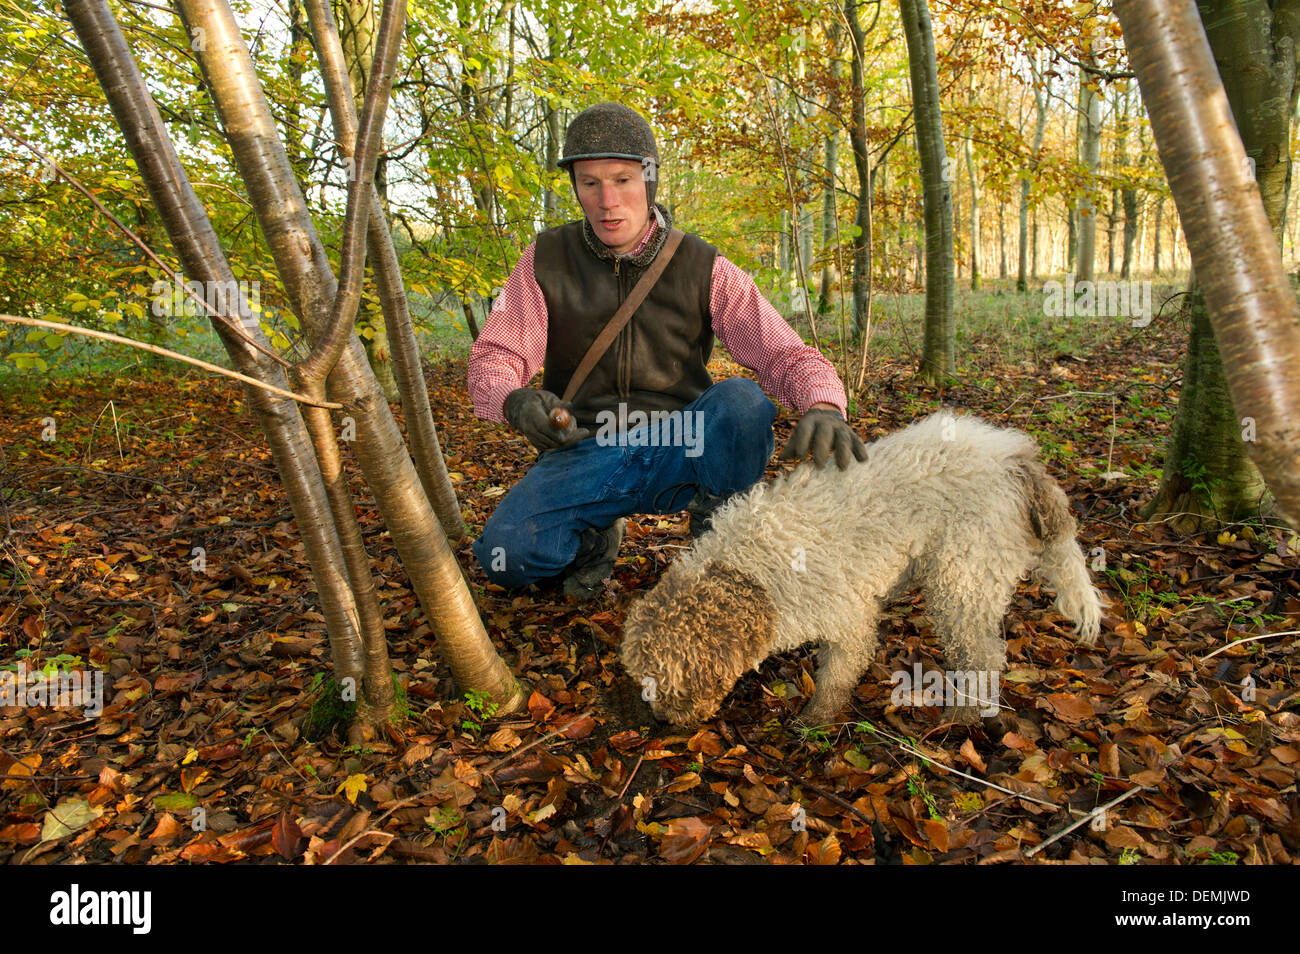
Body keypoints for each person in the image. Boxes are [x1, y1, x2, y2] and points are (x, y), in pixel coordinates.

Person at [467, 101, 865, 599]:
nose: (608, 201)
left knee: (741, 402)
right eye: (590, 183)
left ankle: (718, 527)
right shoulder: (545, 259)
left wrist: (824, 405)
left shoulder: (702, 265)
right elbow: (494, 355)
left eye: (623, 180)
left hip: (684, 444)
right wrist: (514, 400)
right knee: (508, 556)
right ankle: (592, 540)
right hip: (586, 446)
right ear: (575, 187)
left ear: (649, 181)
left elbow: (784, 353)